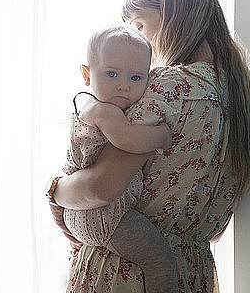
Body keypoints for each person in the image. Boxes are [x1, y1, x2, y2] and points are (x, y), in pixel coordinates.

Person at [47, 0, 250, 293]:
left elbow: (101, 188)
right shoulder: (249, 108)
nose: (139, 41)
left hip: (124, 276)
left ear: (173, 16)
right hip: (191, 273)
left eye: (140, 25)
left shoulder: (169, 88)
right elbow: (214, 231)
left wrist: (55, 190)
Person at [54, 25, 177, 293]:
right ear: (86, 74)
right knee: (160, 261)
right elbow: (126, 139)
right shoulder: (102, 110)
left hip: (81, 210)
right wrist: (161, 136)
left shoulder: (86, 102)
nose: (123, 85)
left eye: (136, 78)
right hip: (108, 217)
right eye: (111, 74)